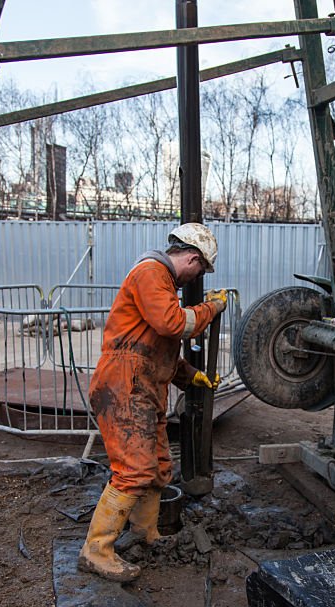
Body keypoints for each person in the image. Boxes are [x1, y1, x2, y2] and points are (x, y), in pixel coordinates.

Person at [80, 222, 228, 582]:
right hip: (124, 387)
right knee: (134, 469)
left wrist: (191, 374)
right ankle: (96, 550)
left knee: (159, 466)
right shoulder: (151, 272)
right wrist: (211, 309)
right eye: (201, 269)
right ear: (192, 258)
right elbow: (172, 324)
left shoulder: (160, 282)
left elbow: (156, 351)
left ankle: (145, 533)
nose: (198, 277)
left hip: (144, 387)